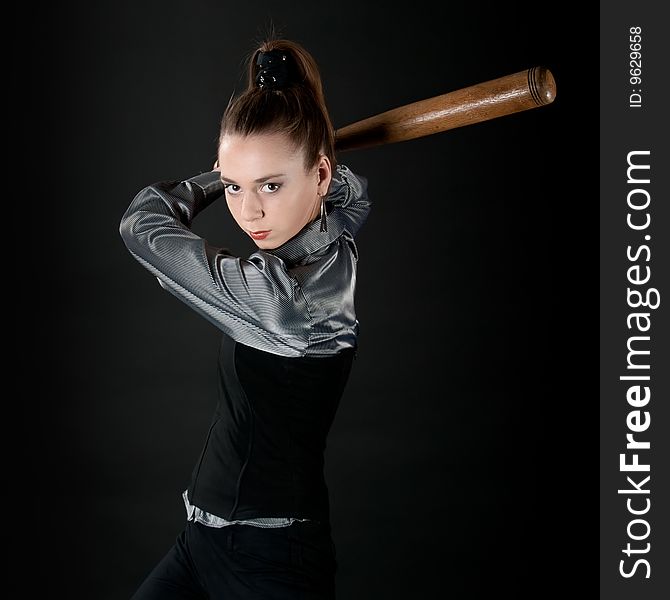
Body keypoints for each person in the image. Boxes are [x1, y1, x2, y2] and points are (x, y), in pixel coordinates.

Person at [118, 37, 372, 599]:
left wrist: (213, 176)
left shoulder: (281, 301)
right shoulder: (336, 231)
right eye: (235, 188)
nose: (248, 211)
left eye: (271, 187)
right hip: (200, 544)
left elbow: (141, 225)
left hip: (269, 564)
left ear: (322, 176)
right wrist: (270, 166)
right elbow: (356, 192)